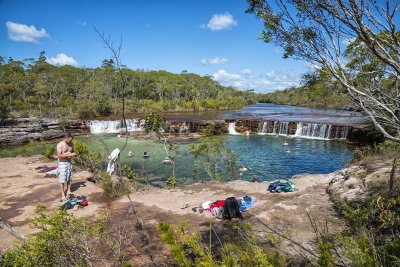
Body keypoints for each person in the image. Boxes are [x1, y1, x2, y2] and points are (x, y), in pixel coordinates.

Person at [57, 131, 76, 201]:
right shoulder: (60, 145)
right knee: (62, 180)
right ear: (66, 138)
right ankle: (62, 194)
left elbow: (73, 151)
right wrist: (68, 154)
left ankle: (68, 190)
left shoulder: (71, 144)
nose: (71, 141)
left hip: (69, 162)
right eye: (70, 139)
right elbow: (59, 155)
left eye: (72, 139)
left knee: (69, 178)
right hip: (62, 164)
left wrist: (74, 153)